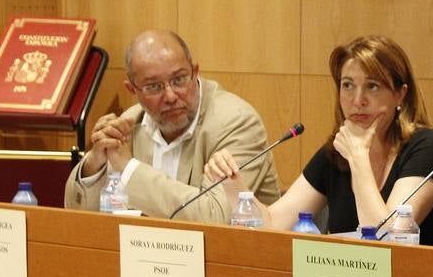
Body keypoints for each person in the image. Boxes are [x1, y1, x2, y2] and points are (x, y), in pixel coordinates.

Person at [204, 36, 433, 241]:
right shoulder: (335, 155)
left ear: (400, 95)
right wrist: (232, 184)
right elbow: (273, 225)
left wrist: (358, 159)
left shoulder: (427, 147)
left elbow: (385, 240)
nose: (357, 100)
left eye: (372, 86)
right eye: (347, 85)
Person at [65, 29, 280, 222]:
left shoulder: (236, 123)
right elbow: (78, 214)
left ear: (195, 72)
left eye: (179, 80)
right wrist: (95, 162)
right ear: (132, 90)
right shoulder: (132, 122)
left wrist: (129, 168)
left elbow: (216, 216)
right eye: (154, 86)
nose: (170, 96)